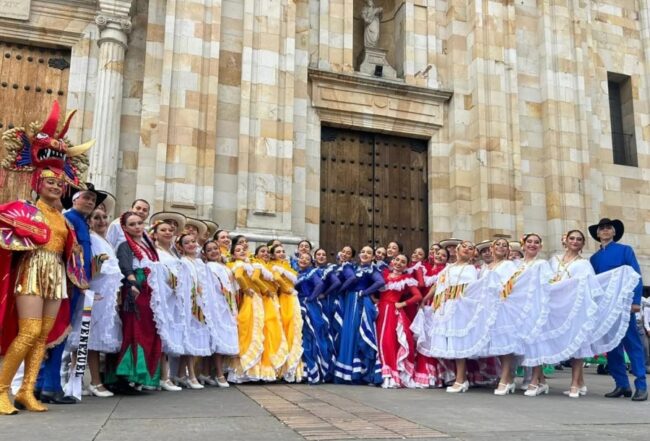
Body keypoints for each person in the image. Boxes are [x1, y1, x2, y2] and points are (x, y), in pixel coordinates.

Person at [1, 101, 91, 415]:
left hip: (55, 275)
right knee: (27, 332)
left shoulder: (65, 220)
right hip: (31, 271)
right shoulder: (24, 210)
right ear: (38, 183)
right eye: (50, 182)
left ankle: (26, 391)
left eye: (60, 183)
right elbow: (7, 234)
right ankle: (2, 390)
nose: (55, 187)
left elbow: (73, 255)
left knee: (43, 336)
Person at [414, 240, 500, 393]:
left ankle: (462, 379)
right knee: (452, 342)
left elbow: (475, 288)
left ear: (474, 253)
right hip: (445, 307)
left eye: (471, 248)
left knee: (459, 342)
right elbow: (437, 285)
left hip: (461, 309)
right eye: (464, 247)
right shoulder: (448, 268)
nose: (467, 249)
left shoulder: (472, 269)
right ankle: (460, 377)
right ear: (457, 250)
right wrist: (426, 298)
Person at [478, 238, 548, 396]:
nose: (501, 247)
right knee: (501, 344)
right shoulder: (489, 267)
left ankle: (508, 379)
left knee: (509, 342)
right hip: (492, 307)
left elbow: (513, 284)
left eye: (505, 245)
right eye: (498, 245)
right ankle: (520, 378)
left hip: (508, 305)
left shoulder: (510, 265)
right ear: (492, 248)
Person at [590, 218, 647, 401]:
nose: (605, 230)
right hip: (606, 309)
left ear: (614, 232)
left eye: (608, 228)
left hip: (624, 306)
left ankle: (641, 385)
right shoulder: (594, 259)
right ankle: (621, 384)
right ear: (597, 234)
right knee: (612, 347)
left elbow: (635, 275)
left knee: (632, 345)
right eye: (602, 228)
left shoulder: (625, 250)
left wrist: (636, 301)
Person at [105, 212, 162, 391]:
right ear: (125, 228)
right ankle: (125, 375)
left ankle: (139, 376)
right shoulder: (124, 245)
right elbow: (126, 267)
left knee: (147, 331)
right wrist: (132, 285)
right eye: (132, 224)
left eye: (139, 223)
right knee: (133, 331)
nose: (137, 227)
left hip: (149, 291)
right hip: (135, 291)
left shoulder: (146, 246)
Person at [85, 206, 124, 397]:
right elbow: (92, 267)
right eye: (96, 218)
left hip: (106, 296)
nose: (101, 221)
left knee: (97, 338)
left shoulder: (105, 240)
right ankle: (93, 381)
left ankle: (95, 380)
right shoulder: (91, 239)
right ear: (89, 221)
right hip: (95, 293)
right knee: (90, 339)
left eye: (104, 217)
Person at [334, 245, 384, 384]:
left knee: (357, 333)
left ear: (373, 257)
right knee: (348, 332)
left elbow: (380, 282)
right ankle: (348, 371)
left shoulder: (371, 269)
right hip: (350, 301)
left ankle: (359, 372)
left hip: (359, 302)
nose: (365, 254)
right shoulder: (355, 268)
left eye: (369, 253)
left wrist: (365, 292)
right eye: (362, 251)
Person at [149, 220, 185, 392]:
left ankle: (166, 375)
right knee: (161, 333)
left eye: (170, 230)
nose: (168, 232)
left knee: (168, 334)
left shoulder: (172, 252)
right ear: (155, 234)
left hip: (173, 298)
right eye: (163, 230)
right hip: (161, 296)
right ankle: (162, 376)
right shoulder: (154, 252)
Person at [377, 254, 422, 388]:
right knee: (380, 339)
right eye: (397, 260)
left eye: (403, 261)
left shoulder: (407, 279)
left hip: (392, 311)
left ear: (406, 266)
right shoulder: (383, 275)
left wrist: (402, 304)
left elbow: (418, 296)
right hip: (380, 310)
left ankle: (391, 374)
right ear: (392, 261)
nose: (399, 263)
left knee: (389, 341)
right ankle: (379, 373)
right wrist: (375, 300)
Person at [203, 240, 240, 387]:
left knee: (222, 338)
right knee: (217, 340)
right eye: (209, 250)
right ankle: (218, 374)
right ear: (205, 254)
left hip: (228, 305)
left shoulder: (225, 267)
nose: (213, 251)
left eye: (215, 248)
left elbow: (232, 287)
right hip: (216, 306)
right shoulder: (209, 267)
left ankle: (206, 373)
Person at [227, 243, 265, 382]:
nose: (242, 251)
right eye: (238, 250)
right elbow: (238, 276)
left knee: (254, 330)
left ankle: (251, 369)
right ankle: (244, 370)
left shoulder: (247, 264)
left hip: (254, 297)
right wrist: (246, 288)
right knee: (250, 330)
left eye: (243, 249)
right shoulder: (238, 265)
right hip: (250, 299)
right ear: (233, 255)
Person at [295, 253, 331, 384]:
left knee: (312, 335)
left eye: (307, 259)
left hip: (309, 306)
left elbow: (320, 285)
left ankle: (314, 371)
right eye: (301, 258)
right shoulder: (297, 273)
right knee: (302, 336)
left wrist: (311, 297)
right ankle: (303, 371)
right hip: (298, 305)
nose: (303, 260)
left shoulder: (312, 272)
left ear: (311, 262)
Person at [270, 244, 304, 382]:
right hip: (286, 298)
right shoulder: (274, 266)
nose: (282, 253)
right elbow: (277, 279)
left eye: (283, 251)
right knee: (289, 328)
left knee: (294, 329)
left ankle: (291, 367)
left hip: (290, 298)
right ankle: (285, 368)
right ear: (272, 255)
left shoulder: (286, 265)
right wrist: (288, 289)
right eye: (278, 251)